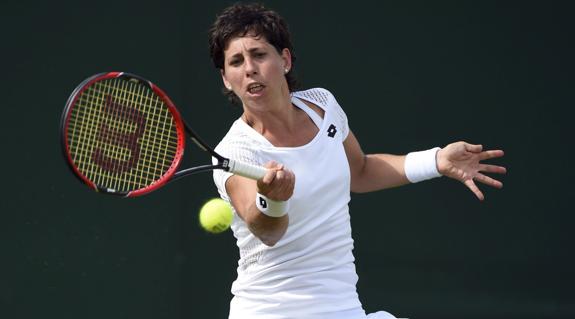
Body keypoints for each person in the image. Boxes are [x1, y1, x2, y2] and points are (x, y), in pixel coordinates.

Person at [208, 3, 506, 319]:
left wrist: (436, 160)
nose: (249, 68)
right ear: (226, 79)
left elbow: (360, 170)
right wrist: (274, 200)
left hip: (343, 308)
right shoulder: (233, 151)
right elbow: (265, 231)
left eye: (259, 54)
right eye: (236, 62)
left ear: (285, 60)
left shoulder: (321, 105)